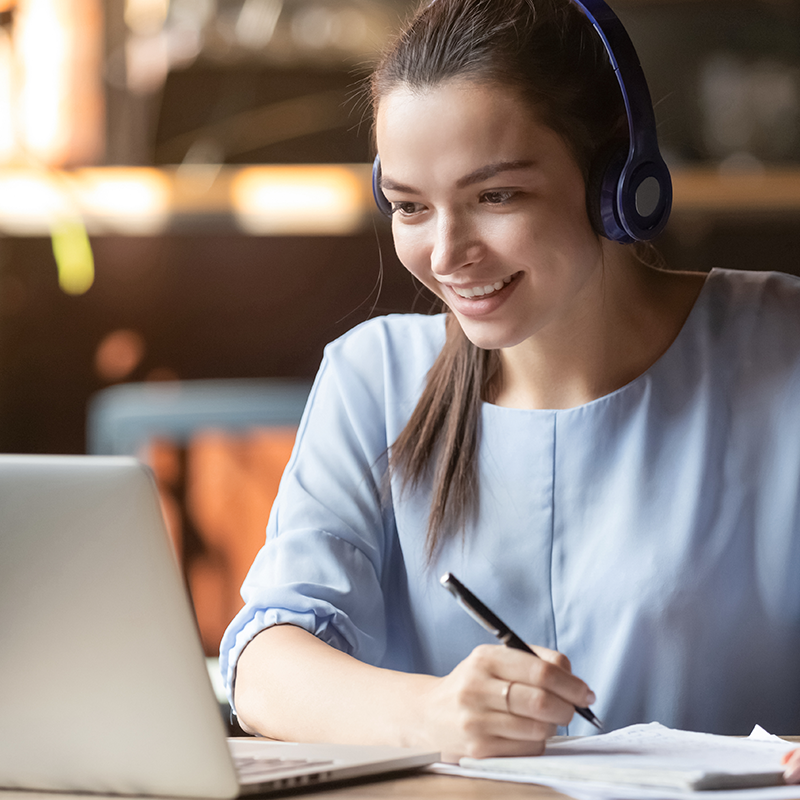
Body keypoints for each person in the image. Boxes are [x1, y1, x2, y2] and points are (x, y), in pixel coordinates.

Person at [219, 0, 800, 770]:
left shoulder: (781, 347)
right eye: (411, 207)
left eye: (496, 196)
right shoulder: (374, 376)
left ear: (617, 181)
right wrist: (430, 713)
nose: (448, 253)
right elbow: (264, 664)